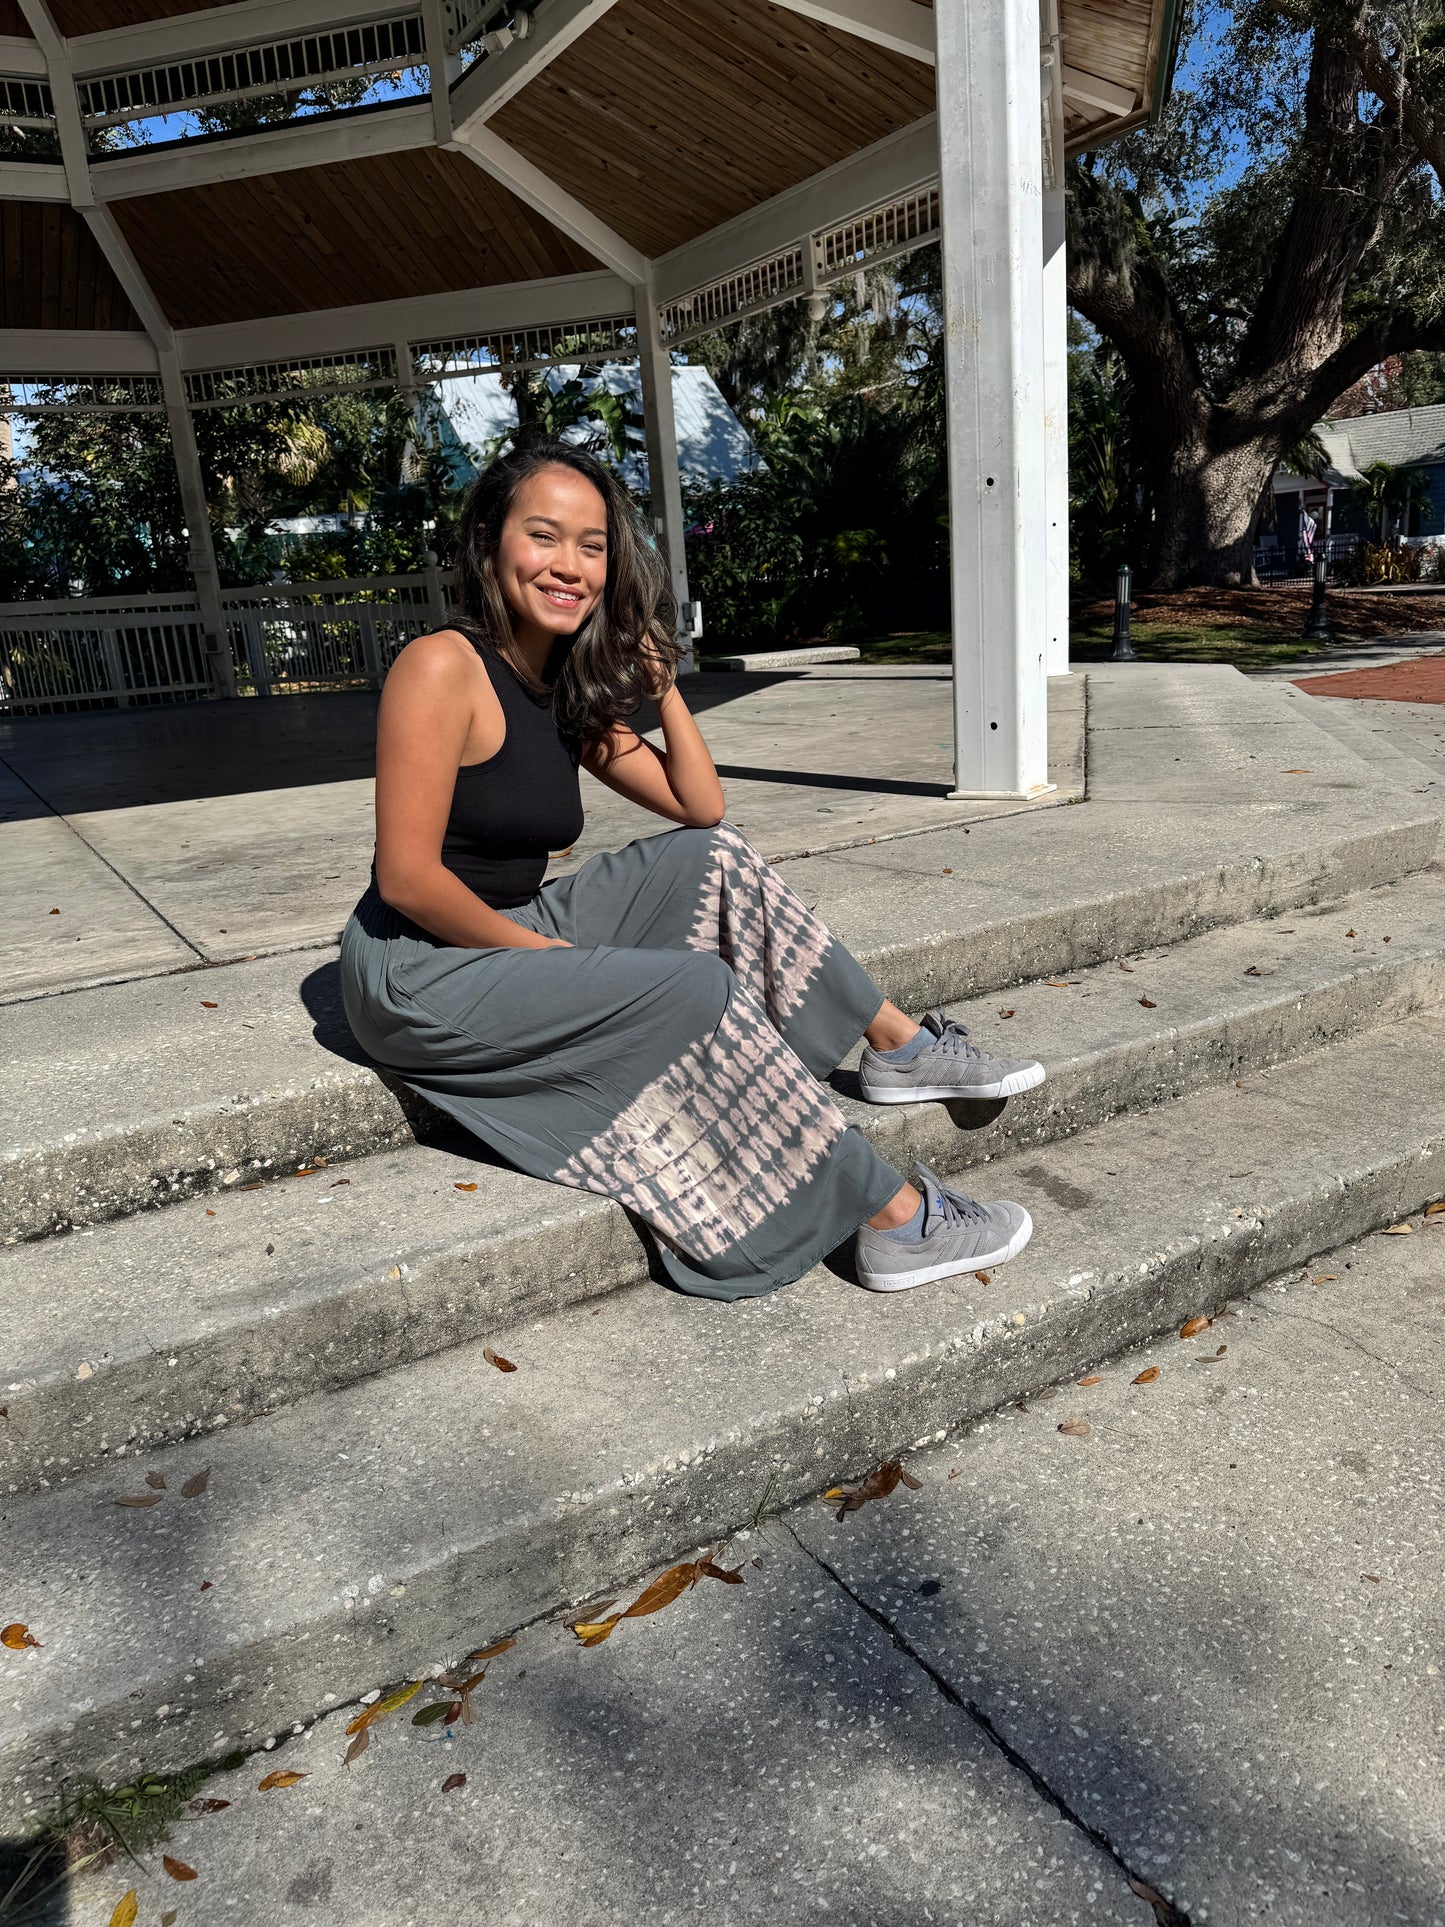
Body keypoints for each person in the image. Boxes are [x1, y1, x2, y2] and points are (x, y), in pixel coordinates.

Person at [339, 440, 1045, 1302]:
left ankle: (897, 1046)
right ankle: (892, 1219)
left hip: (508, 927)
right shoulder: (440, 665)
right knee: (692, 989)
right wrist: (546, 960)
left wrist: (662, 685)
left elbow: (698, 806)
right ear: (490, 542)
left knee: (712, 858)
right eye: (544, 536)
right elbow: (408, 878)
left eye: (592, 546)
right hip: (416, 968)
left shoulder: (558, 677)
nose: (570, 566)